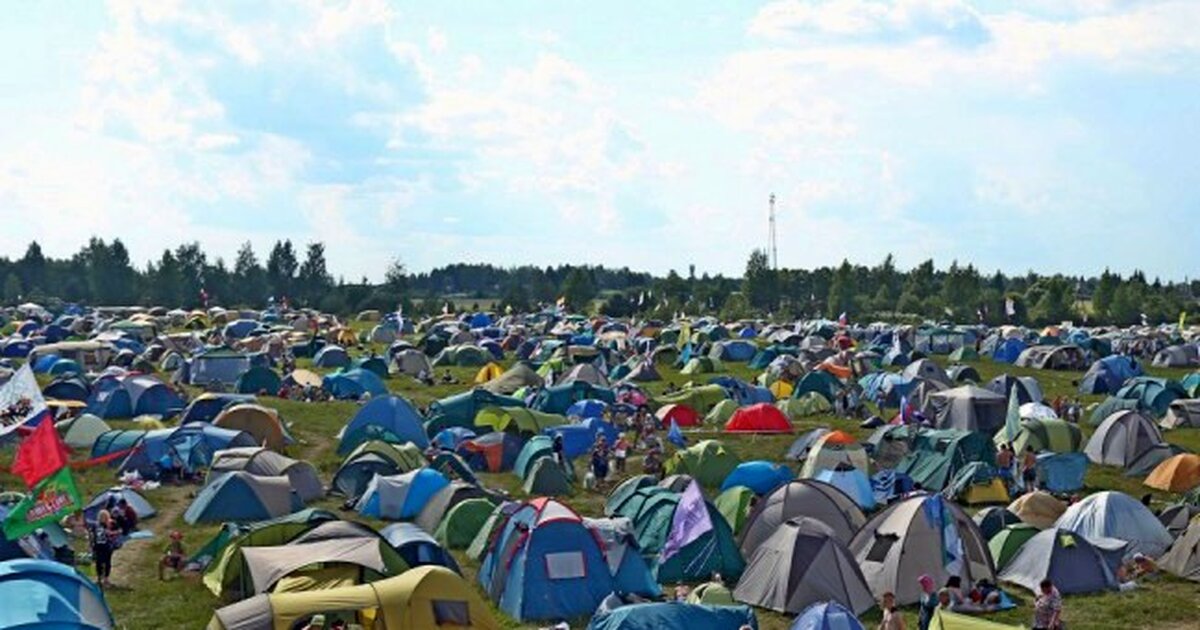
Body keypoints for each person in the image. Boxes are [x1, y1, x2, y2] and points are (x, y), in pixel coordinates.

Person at [91, 509, 118, 588]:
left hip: (102, 546)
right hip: (102, 546)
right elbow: (94, 535)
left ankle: (102, 579)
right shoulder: (100, 525)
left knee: (103, 562)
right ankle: (103, 579)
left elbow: (92, 536)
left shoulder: (99, 525)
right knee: (103, 562)